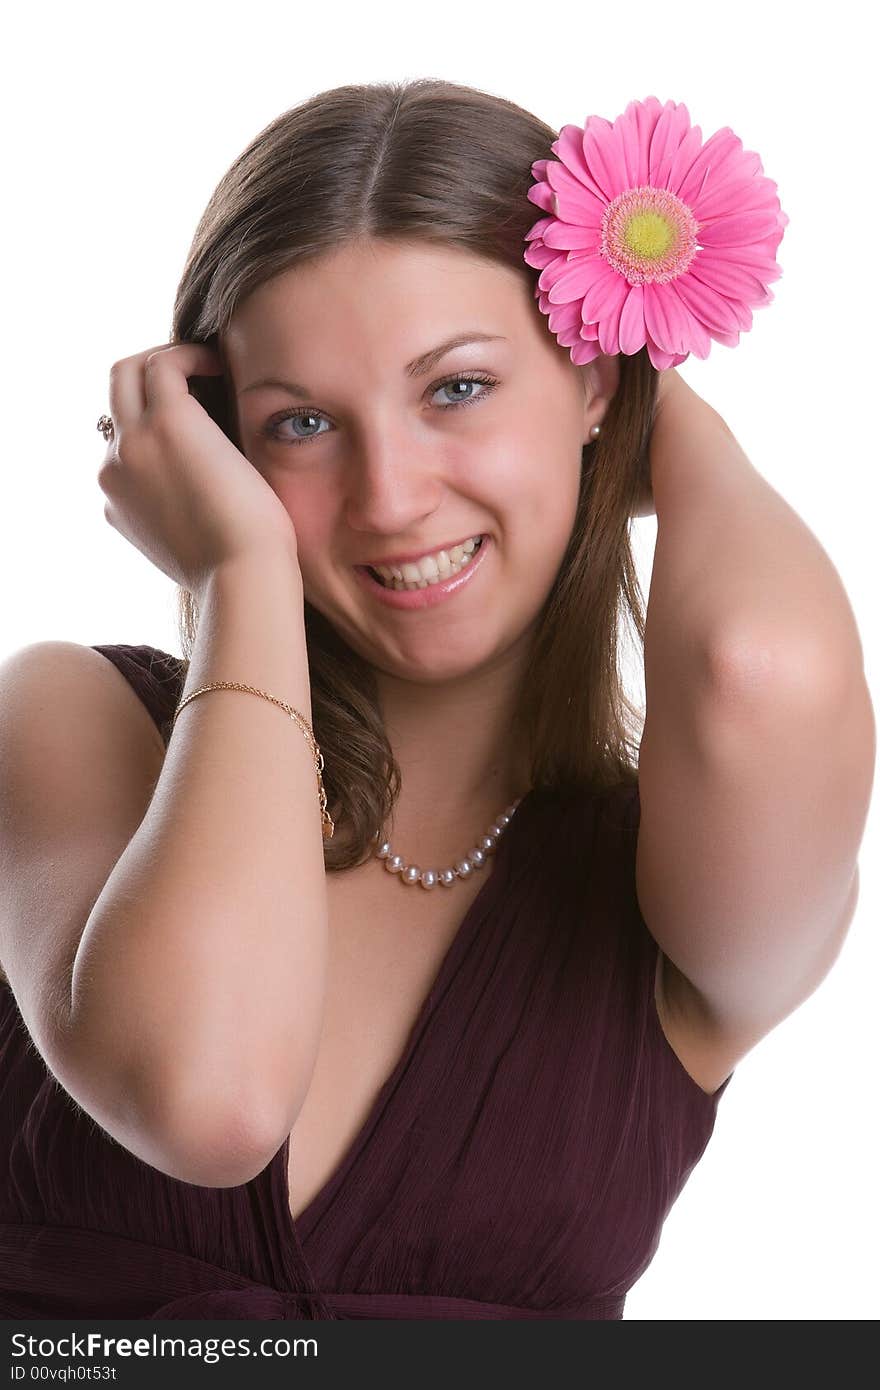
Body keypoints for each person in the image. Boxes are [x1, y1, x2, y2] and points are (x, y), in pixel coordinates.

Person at [0, 80, 871, 1320]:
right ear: (223, 452)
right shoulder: (74, 725)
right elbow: (207, 1097)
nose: (392, 497)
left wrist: (643, 383)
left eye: (457, 388)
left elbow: (760, 669)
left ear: (590, 386)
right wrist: (240, 568)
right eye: (299, 421)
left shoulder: (680, 886)